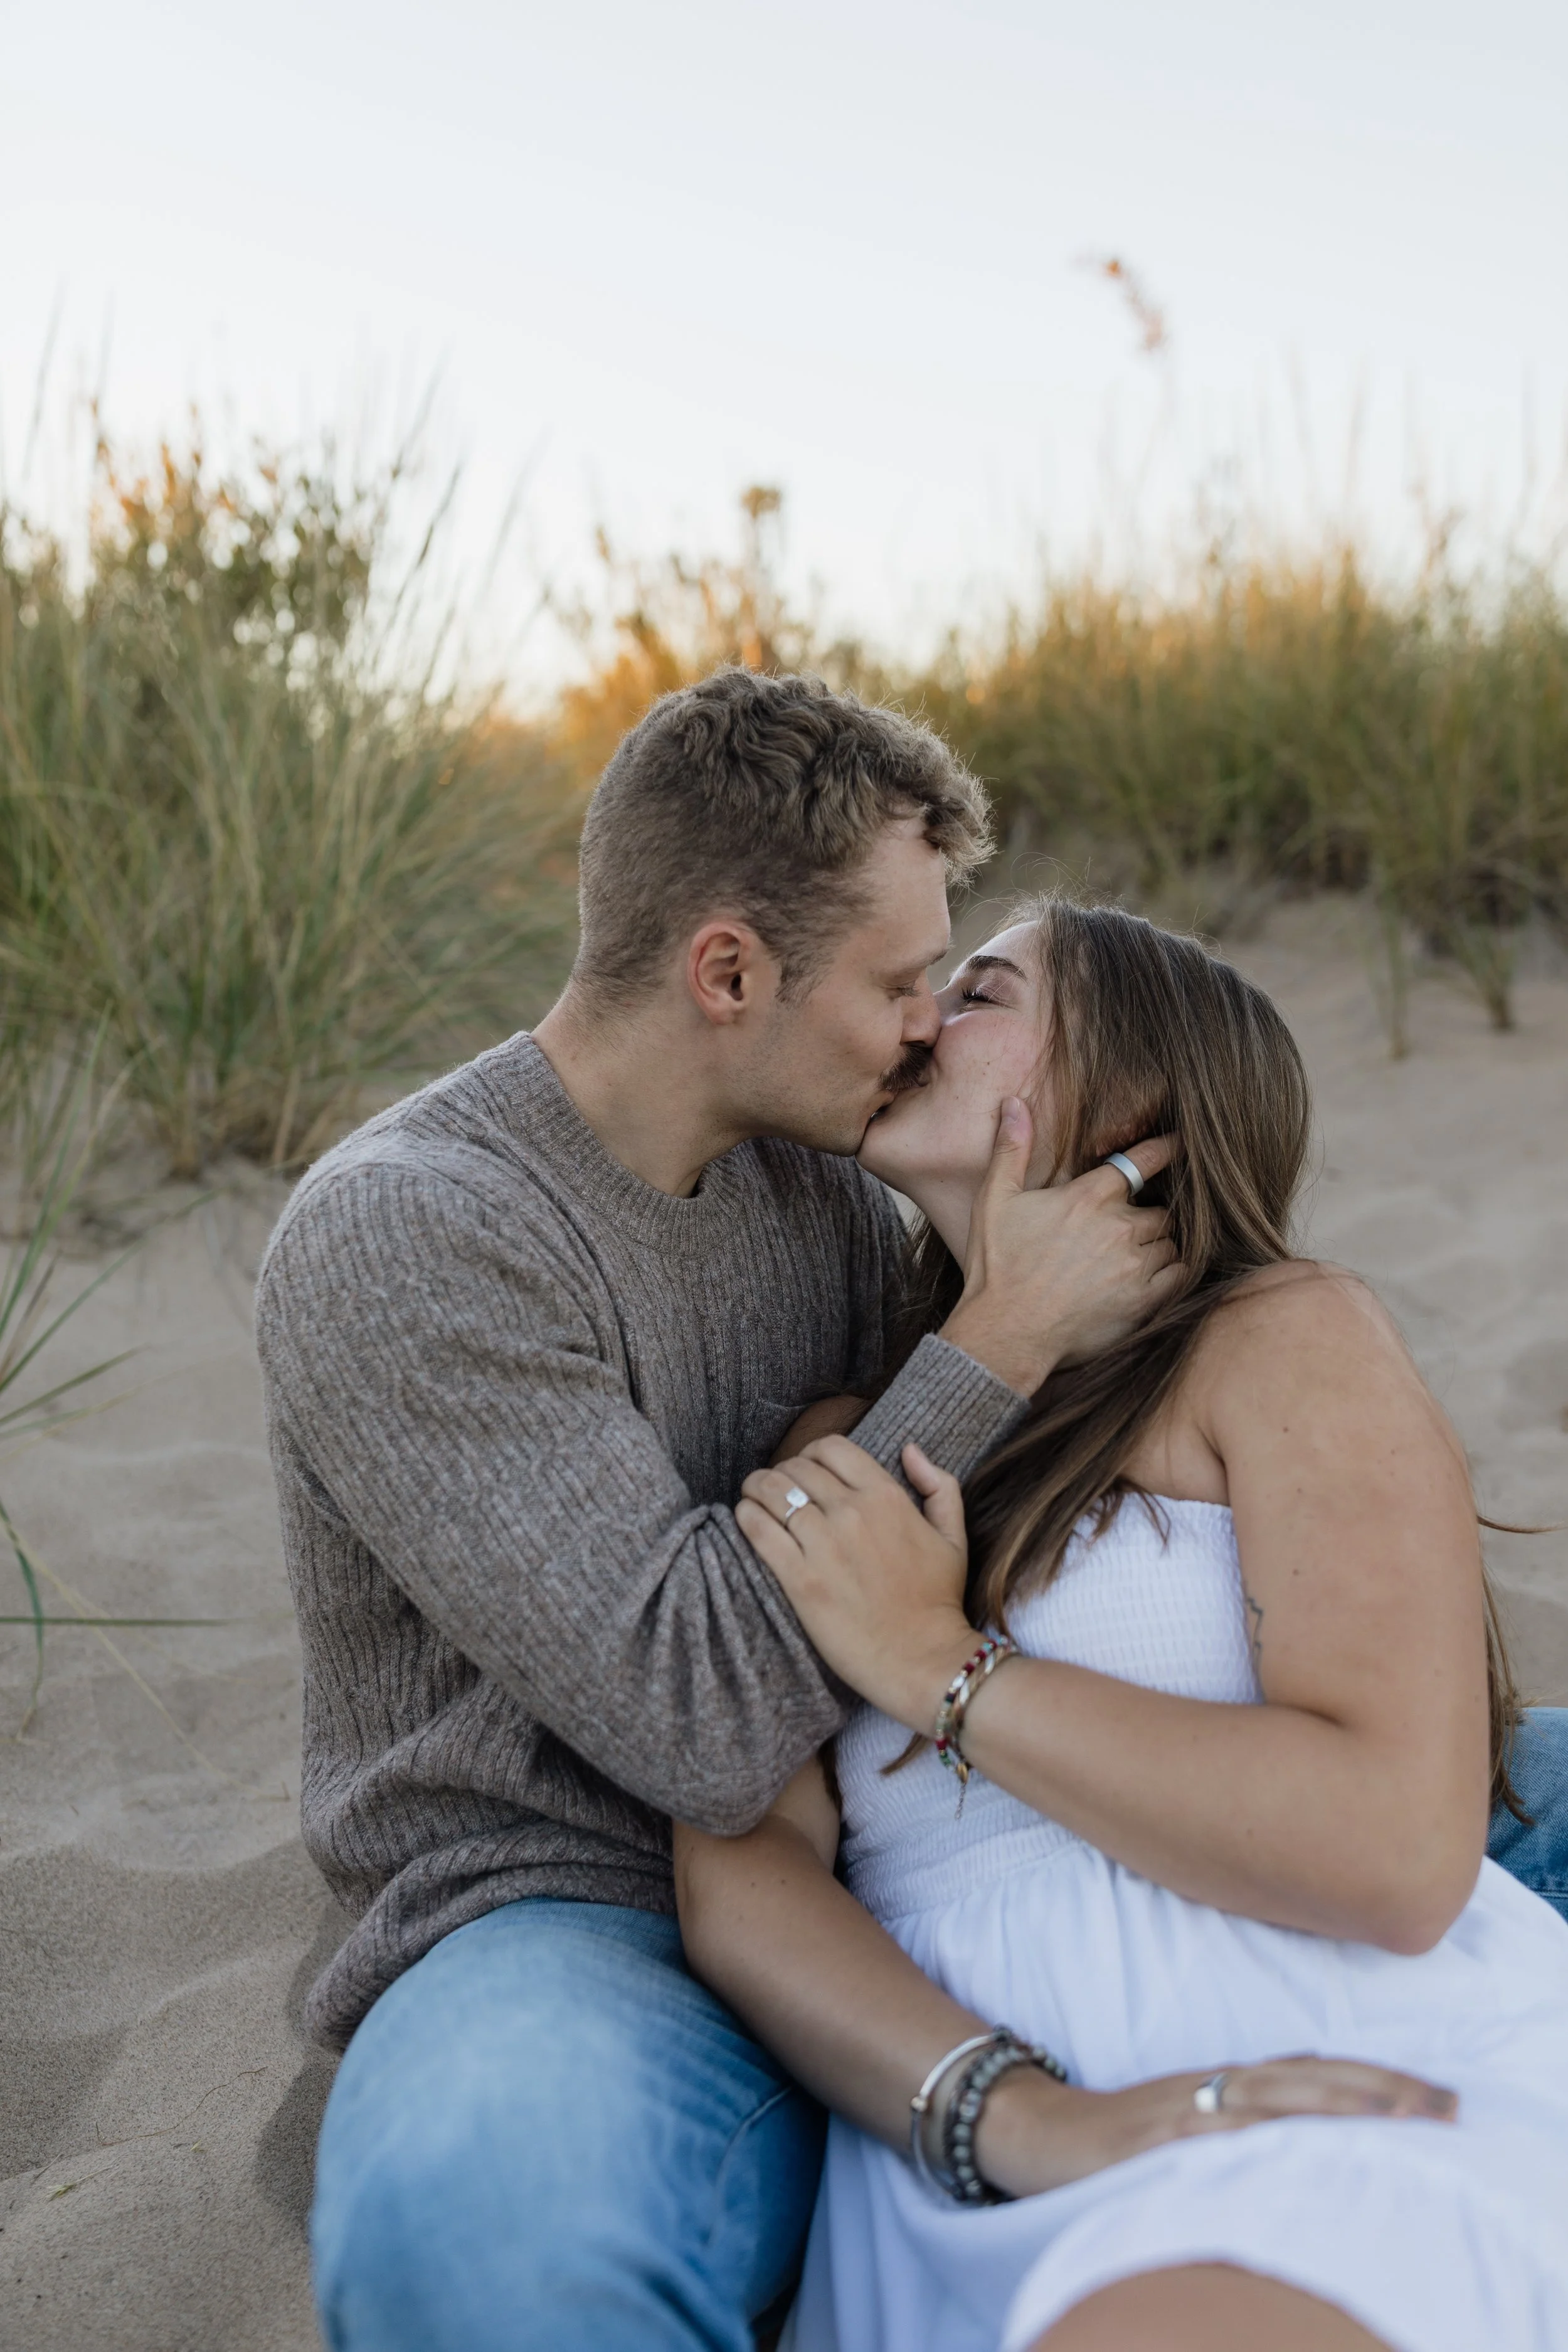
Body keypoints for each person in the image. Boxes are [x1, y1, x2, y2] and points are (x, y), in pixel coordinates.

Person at [255, 669, 1568, 2352]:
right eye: (901, 982)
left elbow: (1363, 1785)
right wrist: (1003, 1332)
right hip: (579, 1895)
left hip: (998, 1844)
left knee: (1504, 1780)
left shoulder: (832, 1184)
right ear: (726, 970)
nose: (921, 1023)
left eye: (959, 984)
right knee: (491, 2237)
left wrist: (960, 1609)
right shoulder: (413, 1229)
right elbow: (713, 1722)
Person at [674, 895, 1568, 2352]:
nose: (914, 1020)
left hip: (1307, 2068)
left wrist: (940, 1669)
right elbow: (744, 1872)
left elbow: (1398, 1855)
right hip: (962, 2131)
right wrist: (997, 2112)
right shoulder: (846, 1435)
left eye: (975, 993)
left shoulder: (1274, 1336)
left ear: (1134, 1099)